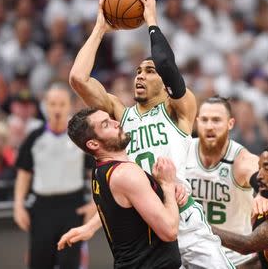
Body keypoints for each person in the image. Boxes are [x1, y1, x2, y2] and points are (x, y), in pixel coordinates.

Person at [62, 0, 233, 268]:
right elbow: (78, 79)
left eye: (149, 71)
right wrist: (100, 27)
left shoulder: (180, 108)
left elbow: (165, 62)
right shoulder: (119, 115)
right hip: (147, 224)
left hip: (184, 218)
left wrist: (152, 18)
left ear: (165, 83)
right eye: (138, 71)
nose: (140, 75)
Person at [58, 108, 182, 268]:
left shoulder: (99, 171)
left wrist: (90, 226)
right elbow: (169, 231)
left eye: (110, 119)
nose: (117, 123)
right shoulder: (126, 174)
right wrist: (167, 185)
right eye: (106, 124)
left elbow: (116, 209)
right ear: (93, 143)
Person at [13, 84, 96, 269]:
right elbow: (23, 173)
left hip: (72, 207)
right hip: (42, 207)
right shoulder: (34, 138)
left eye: (61, 104)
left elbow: (95, 171)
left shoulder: (81, 138)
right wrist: (18, 205)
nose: (57, 109)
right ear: (45, 106)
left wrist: (94, 202)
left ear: (70, 106)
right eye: (52, 104)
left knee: (69, 262)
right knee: (39, 263)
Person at [185, 96, 268, 268]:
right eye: (204, 120)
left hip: (234, 255)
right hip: (192, 252)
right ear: (197, 122)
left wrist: (263, 192)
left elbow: (263, 176)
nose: (209, 126)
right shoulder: (184, 149)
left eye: (216, 120)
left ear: (230, 124)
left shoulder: (241, 158)